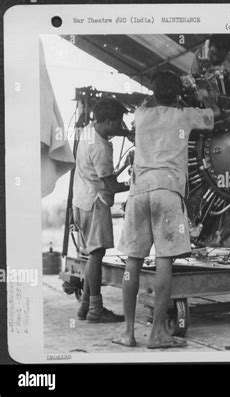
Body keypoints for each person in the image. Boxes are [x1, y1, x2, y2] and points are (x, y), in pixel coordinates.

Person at [113, 70, 220, 348]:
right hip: (167, 191)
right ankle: (158, 333)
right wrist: (200, 94)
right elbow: (214, 114)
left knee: (132, 261)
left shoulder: (141, 114)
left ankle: (127, 333)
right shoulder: (185, 115)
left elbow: (150, 100)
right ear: (178, 94)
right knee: (164, 260)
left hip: (139, 193)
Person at [73, 97, 129, 323]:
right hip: (96, 203)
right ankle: (96, 309)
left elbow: (105, 175)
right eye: (116, 123)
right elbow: (112, 186)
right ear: (106, 121)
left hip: (82, 199)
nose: (119, 128)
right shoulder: (101, 147)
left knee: (91, 255)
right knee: (96, 255)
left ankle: (85, 306)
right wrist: (135, 183)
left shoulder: (89, 131)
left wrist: (128, 134)